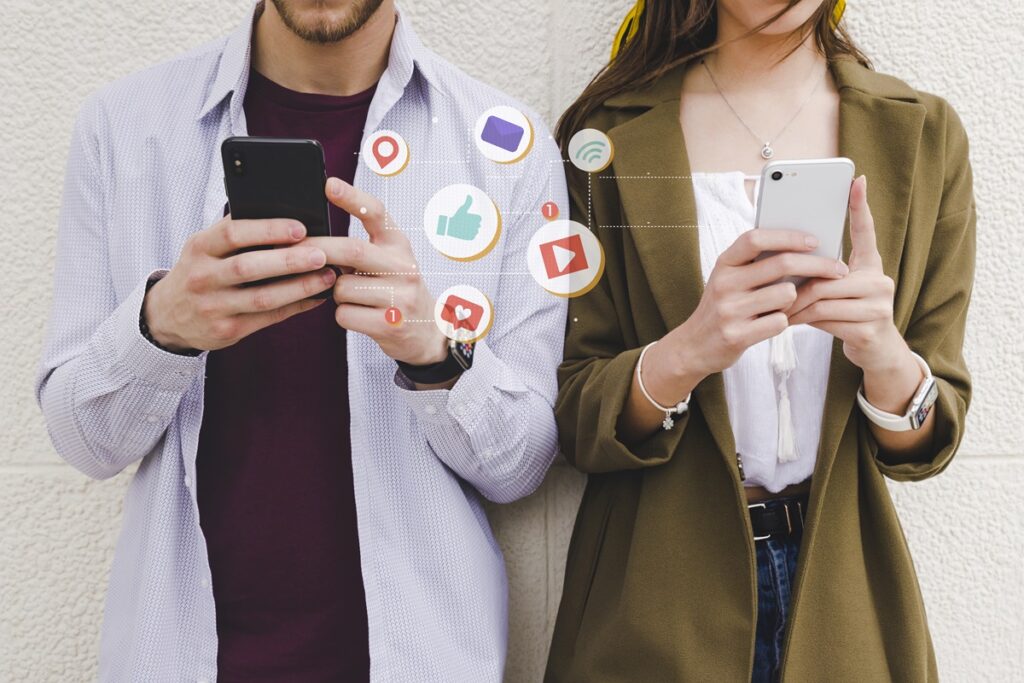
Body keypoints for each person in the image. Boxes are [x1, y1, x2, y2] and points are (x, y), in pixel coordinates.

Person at [35, 0, 567, 680]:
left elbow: (521, 465)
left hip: (419, 659)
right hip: (180, 657)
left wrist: (436, 351)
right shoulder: (123, 129)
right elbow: (85, 442)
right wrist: (159, 326)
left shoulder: (507, 148)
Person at [546, 0, 973, 681]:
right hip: (654, 601)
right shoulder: (604, 138)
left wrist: (885, 354)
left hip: (847, 602)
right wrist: (688, 350)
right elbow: (575, 416)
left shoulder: (922, 134)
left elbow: (927, 441)